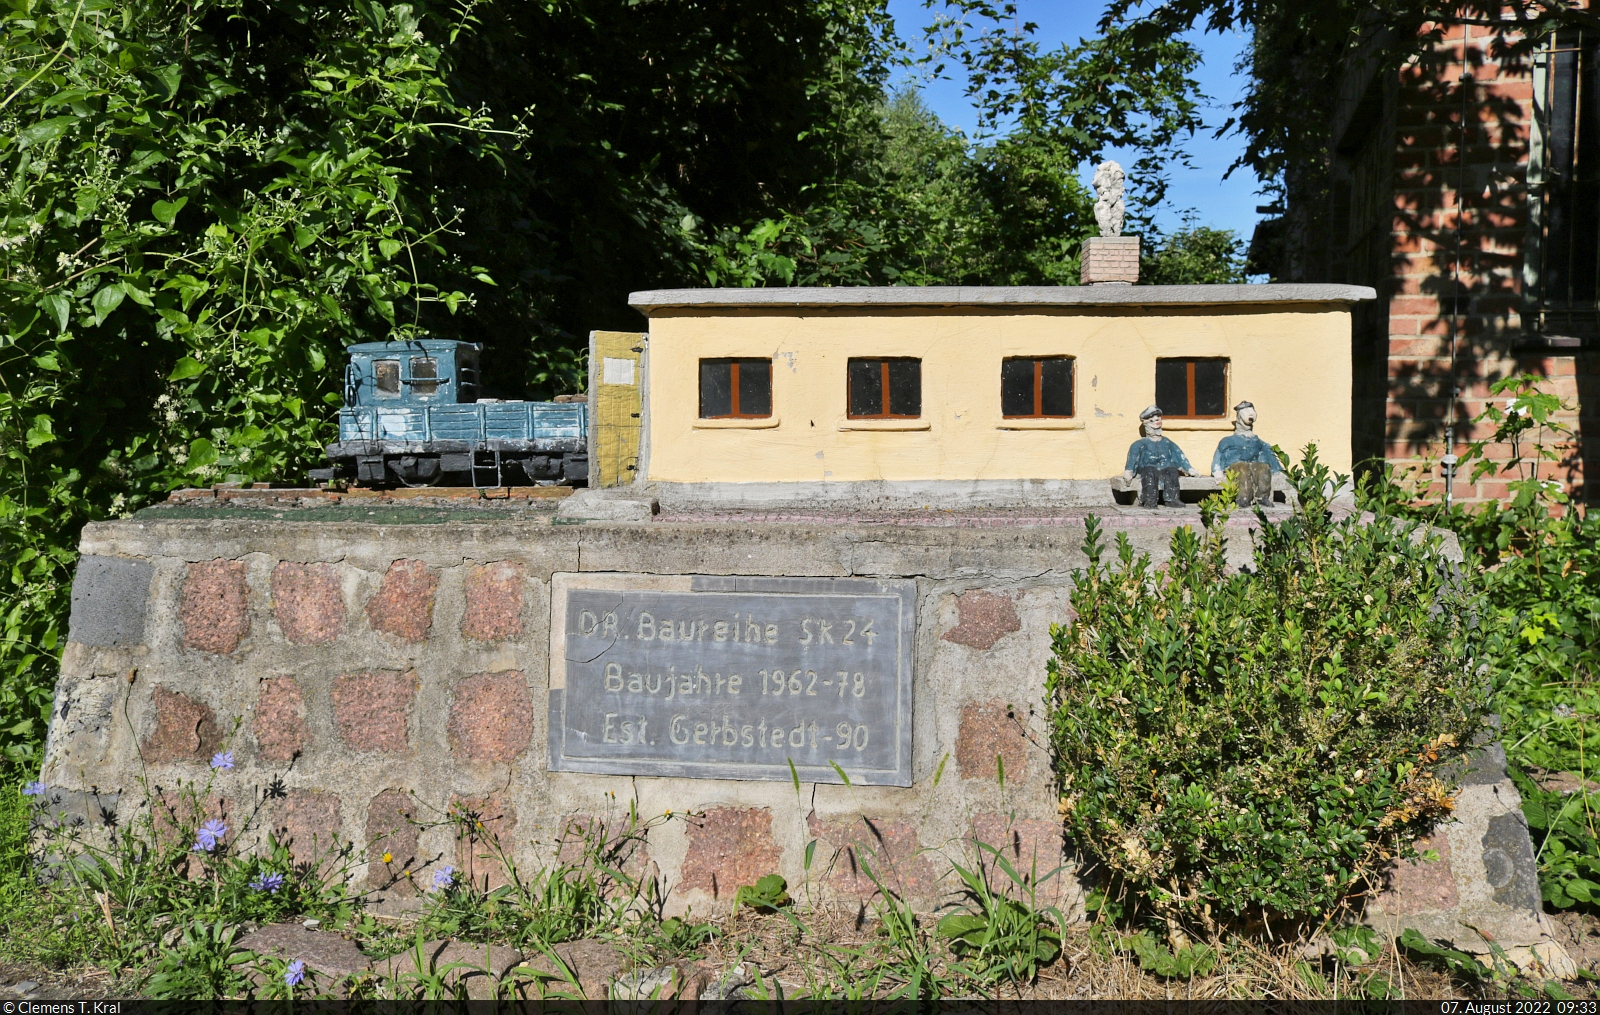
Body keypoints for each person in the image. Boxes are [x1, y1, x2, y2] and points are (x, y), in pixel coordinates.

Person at [1210, 401, 1282, 506]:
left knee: (1263, 468)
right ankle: (1243, 498)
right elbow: (1219, 455)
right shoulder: (1228, 440)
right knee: (1242, 469)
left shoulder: (1256, 440)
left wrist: (1278, 469)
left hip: (1253, 464)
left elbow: (1268, 452)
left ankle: (1262, 497)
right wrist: (1216, 470)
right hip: (1235, 464)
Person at [1123, 405, 1193, 508]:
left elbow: (1179, 455)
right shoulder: (1139, 444)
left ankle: (1172, 499)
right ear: (1146, 423)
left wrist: (1189, 469)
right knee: (1150, 472)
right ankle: (1149, 500)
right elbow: (1133, 458)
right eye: (1152, 420)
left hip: (1165, 468)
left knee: (1172, 472)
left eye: (1158, 419)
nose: (1156, 422)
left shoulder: (1167, 442)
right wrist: (1129, 471)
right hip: (1148, 469)